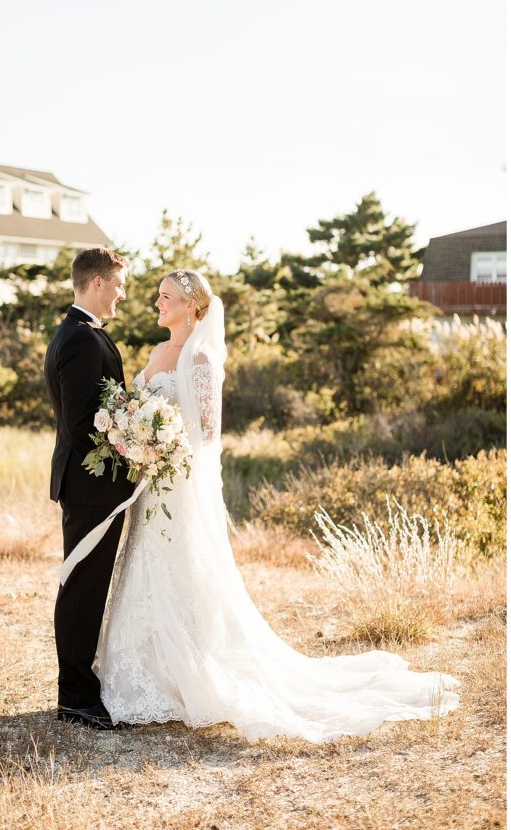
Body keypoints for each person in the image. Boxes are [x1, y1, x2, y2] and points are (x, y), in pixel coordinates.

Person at [94, 269, 461, 743]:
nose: (157, 304)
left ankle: (187, 672)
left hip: (177, 482)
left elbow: (206, 435)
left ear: (192, 306)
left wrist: (160, 443)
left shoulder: (200, 358)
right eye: (158, 297)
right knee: (144, 568)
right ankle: (139, 670)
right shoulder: (155, 352)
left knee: (177, 569)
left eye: (165, 297)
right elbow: (138, 403)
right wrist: (135, 435)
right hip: (151, 484)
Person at [44, 246, 135, 730]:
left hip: (92, 486)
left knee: (86, 585)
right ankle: (76, 697)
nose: (122, 294)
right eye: (119, 285)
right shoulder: (80, 339)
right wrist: (134, 439)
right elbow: (83, 423)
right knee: (82, 586)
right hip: (89, 484)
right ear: (97, 283)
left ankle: (77, 689)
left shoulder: (80, 333)